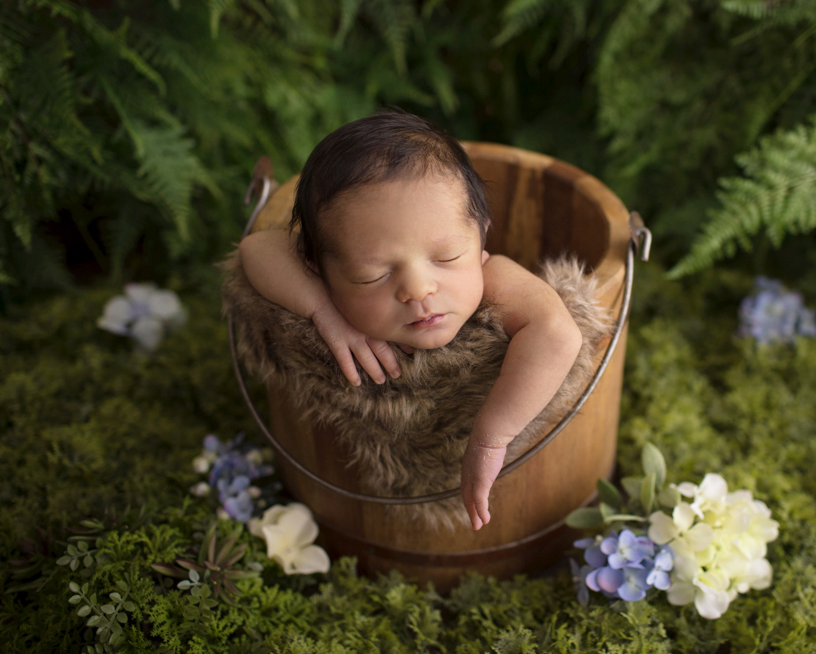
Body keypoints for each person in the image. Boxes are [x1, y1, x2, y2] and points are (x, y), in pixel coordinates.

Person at [238, 109, 582, 531]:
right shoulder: (322, 282)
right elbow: (255, 249)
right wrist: (323, 311)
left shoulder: (494, 278)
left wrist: (491, 437)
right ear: (317, 269)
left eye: (447, 257)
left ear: (482, 237)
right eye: (373, 275)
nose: (418, 290)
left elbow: (557, 333)